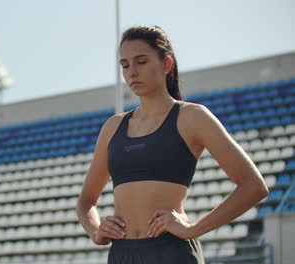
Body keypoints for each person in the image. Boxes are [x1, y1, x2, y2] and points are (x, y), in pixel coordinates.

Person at [76, 25, 269, 264]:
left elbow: (254, 186)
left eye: (142, 62)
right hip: (122, 254)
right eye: (125, 65)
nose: (132, 72)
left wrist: (193, 229)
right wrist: (95, 230)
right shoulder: (112, 127)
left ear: (166, 64)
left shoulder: (193, 117)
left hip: (171, 252)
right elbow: (86, 201)